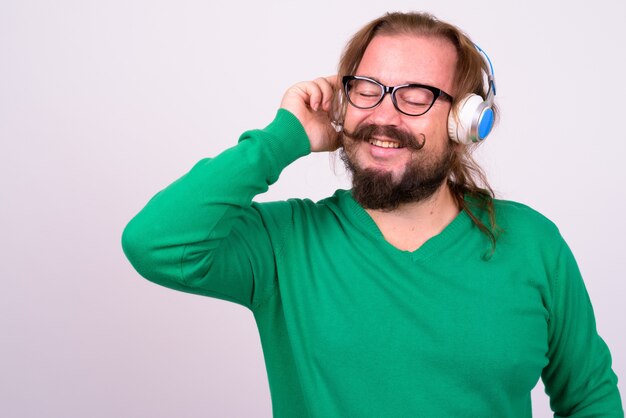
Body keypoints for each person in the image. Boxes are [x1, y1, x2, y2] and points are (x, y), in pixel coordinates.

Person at [122, 11, 623, 417]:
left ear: (465, 121)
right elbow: (154, 243)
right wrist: (283, 137)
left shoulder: (531, 243)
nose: (384, 115)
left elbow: (590, 399)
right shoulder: (286, 243)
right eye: (367, 88)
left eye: (416, 95)